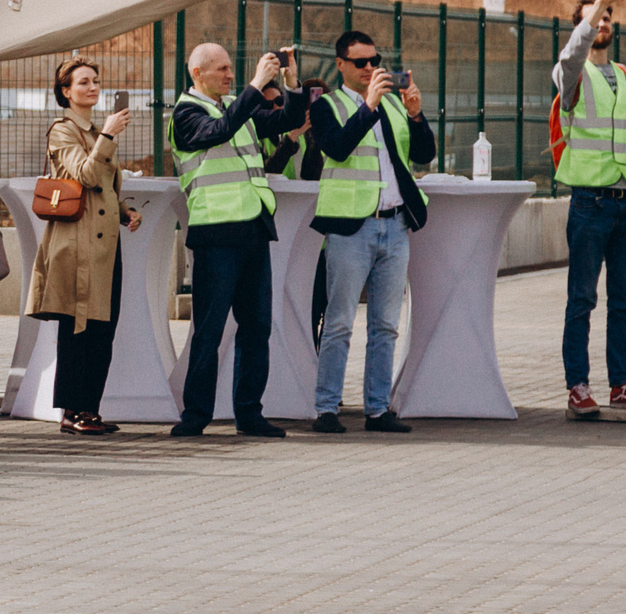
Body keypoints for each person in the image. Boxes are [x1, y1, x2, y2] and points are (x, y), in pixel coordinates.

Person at [170, 43, 304, 438]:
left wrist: (290, 82)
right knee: (209, 329)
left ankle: (249, 412)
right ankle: (195, 415)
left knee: (257, 326)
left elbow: (287, 120)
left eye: (232, 70)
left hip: (252, 227)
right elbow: (220, 131)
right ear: (198, 73)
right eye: (222, 69)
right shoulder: (186, 113)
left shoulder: (236, 106)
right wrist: (255, 84)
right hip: (216, 233)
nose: (230, 76)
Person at [306, 31, 436, 434]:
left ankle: (378, 409)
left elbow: (423, 154)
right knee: (341, 321)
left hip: (393, 225)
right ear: (341, 64)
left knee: (385, 324)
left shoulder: (394, 105)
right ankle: (326, 408)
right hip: (350, 227)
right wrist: (369, 106)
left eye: (373, 60)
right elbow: (338, 148)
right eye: (360, 62)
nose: (369, 68)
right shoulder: (328, 105)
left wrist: (415, 114)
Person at [25, 57, 143, 437]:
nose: (92, 88)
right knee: (78, 326)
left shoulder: (94, 130)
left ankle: (89, 409)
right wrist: (108, 135)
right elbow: (86, 174)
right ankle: (71, 411)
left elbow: (103, 187)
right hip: (77, 244)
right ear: (65, 91)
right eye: (83, 83)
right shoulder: (63, 131)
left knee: (102, 327)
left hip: (106, 242)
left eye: (95, 81)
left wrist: (124, 211)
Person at [556, 0, 626, 414]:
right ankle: (577, 384)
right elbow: (571, 55)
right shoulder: (571, 75)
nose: (603, 22)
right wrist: (598, 2)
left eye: (608, 17)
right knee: (582, 299)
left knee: (623, 302)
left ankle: (621, 384)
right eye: (596, 17)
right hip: (590, 204)